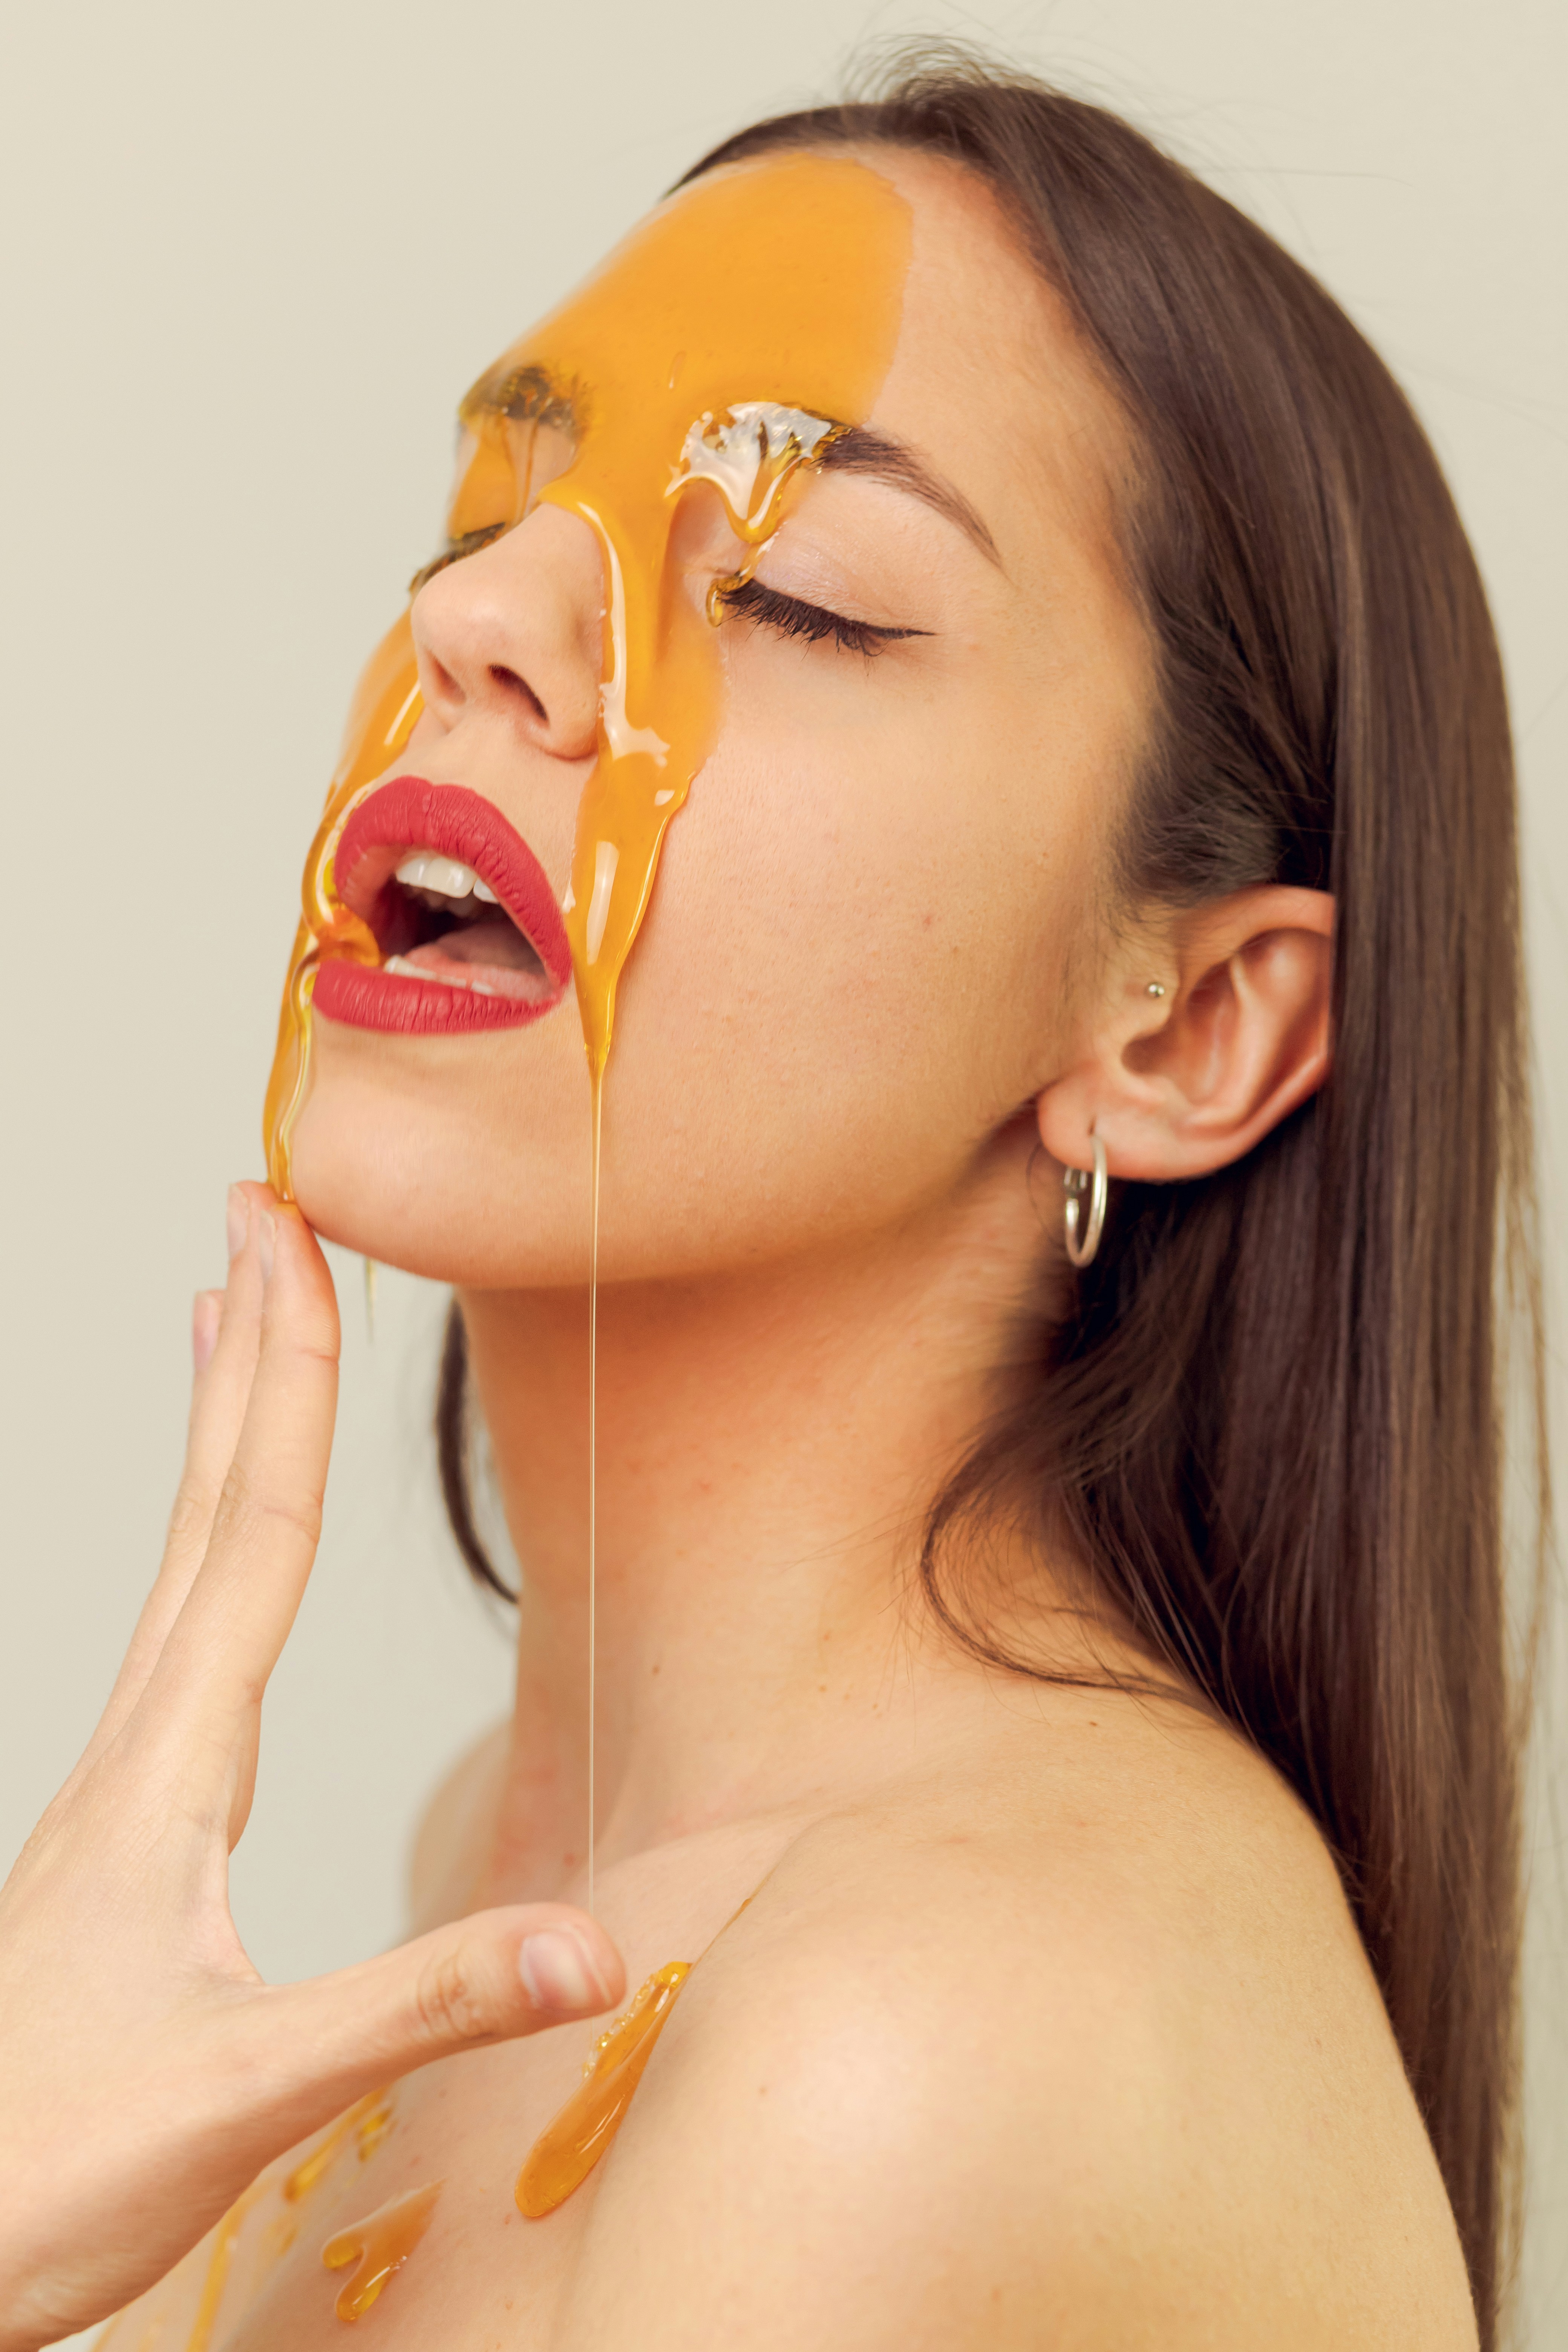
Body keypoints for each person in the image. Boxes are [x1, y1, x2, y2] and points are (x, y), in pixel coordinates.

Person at [0, 52, 1536, 2352]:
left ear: (1187, 1029)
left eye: (801, 594)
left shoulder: (912, 2038)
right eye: (490, 513)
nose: (492, 622)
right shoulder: (519, 1880)